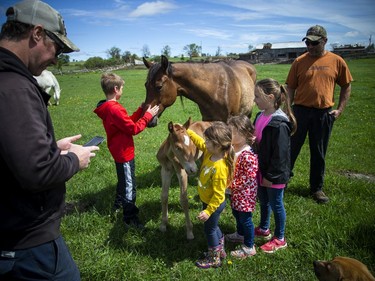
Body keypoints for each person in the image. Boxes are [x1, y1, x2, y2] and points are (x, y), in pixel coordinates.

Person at [0, 1, 99, 280]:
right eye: (57, 47)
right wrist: (72, 160)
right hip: (27, 244)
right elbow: (38, 172)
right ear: (37, 34)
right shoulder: (14, 87)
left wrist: (50, 148)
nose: (56, 59)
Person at [286, 25, 353, 204]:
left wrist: (339, 109)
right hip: (299, 111)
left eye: (314, 43)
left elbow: (346, 85)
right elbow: (290, 87)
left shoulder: (337, 61)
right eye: (307, 42)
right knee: (291, 148)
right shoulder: (299, 61)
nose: (310, 46)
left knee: (319, 151)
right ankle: (282, 182)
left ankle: (316, 188)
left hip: (323, 114)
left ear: (324, 41)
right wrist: (288, 110)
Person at [94, 72, 159, 230]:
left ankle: (117, 206)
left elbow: (126, 123)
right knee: (130, 185)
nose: (122, 90)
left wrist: (140, 110)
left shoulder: (109, 107)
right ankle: (130, 218)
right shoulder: (114, 109)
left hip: (117, 150)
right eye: (122, 88)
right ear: (116, 89)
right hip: (124, 153)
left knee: (123, 180)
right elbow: (133, 129)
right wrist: (148, 116)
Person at [253, 78, 297, 254]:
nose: (254, 100)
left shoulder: (279, 123)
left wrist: (271, 177)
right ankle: (264, 228)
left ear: (270, 97)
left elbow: (281, 155)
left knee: (276, 203)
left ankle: (280, 238)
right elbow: (261, 141)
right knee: (264, 201)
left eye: (257, 96)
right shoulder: (260, 116)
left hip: (274, 174)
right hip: (262, 170)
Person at [186, 121, 234, 269]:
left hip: (214, 204)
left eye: (208, 141)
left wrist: (208, 211)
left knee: (209, 229)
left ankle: (214, 258)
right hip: (207, 200)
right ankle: (220, 249)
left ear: (218, 145)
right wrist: (188, 132)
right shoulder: (210, 152)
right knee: (213, 227)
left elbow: (220, 196)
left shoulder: (219, 168)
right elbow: (200, 142)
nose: (204, 142)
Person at [225, 115, 259, 259]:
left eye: (232, 132)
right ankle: (240, 234)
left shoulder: (247, 154)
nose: (229, 135)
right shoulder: (234, 148)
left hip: (244, 193)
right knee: (236, 213)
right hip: (235, 192)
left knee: (245, 219)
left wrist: (232, 185)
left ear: (244, 133)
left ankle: (249, 246)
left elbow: (248, 177)